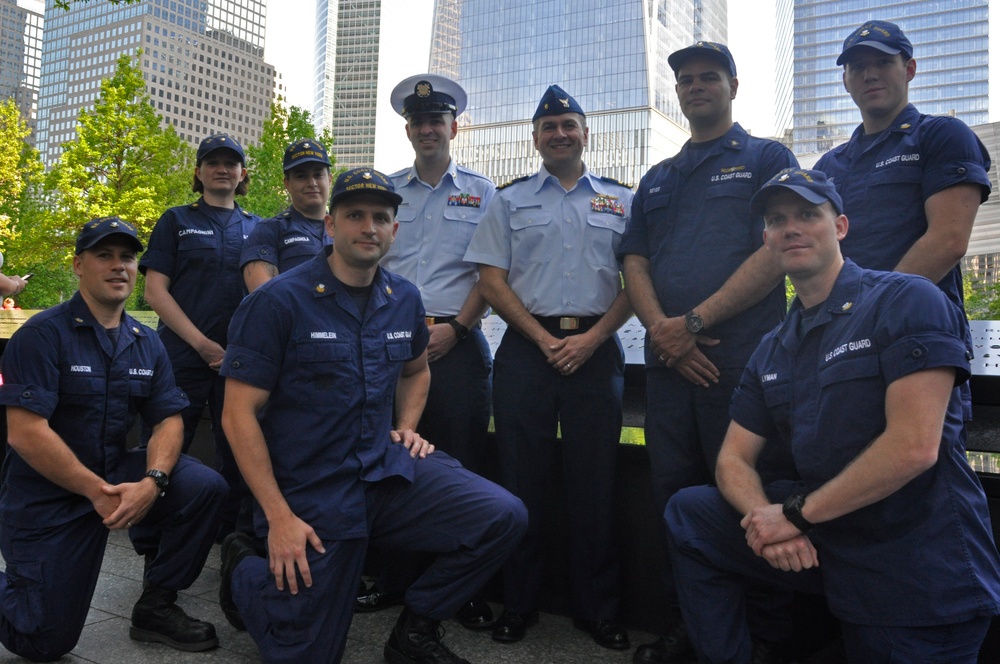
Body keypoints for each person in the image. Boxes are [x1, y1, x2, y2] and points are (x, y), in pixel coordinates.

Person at [664, 167, 1000, 663]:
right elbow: (733, 459)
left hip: (915, 567)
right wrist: (765, 519)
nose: (791, 228)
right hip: (830, 540)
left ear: (840, 226)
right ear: (767, 241)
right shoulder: (772, 348)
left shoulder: (905, 300)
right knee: (692, 514)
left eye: (807, 214)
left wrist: (795, 516)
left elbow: (914, 446)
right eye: (777, 220)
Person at [218, 167, 527, 664]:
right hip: (313, 487)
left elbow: (416, 370)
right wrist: (278, 518)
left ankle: (415, 632)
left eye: (381, 218)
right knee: (305, 653)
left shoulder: (403, 297)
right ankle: (243, 570)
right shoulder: (278, 301)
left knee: (501, 516)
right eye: (355, 215)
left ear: (394, 232)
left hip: (383, 470)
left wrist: (406, 428)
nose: (369, 227)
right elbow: (238, 416)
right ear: (331, 227)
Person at [618, 42, 799, 663]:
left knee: (749, 492)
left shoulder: (766, 157)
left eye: (708, 78)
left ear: (734, 85)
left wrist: (693, 321)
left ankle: (766, 634)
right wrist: (665, 335)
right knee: (674, 496)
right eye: (686, 81)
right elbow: (633, 260)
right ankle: (690, 629)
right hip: (670, 372)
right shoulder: (659, 177)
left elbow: (778, 246)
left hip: (742, 367)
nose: (696, 87)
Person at [0, 217, 227, 660]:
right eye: (104, 255)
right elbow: (25, 433)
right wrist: (95, 492)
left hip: (115, 476)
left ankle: (156, 605)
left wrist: (154, 481)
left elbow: (169, 419)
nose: (118, 266)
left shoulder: (146, 342)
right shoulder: (42, 335)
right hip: (48, 495)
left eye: (127, 257)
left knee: (203, 486)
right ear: (78, 265)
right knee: (43, 642)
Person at [465, 84, 633, 650]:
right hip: (525, 353)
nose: (559, 134)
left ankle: (598, 608)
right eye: (548, 127)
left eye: (569, 124)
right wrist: (540, 338)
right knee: (520, 483)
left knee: (596, 485)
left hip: (596, 350)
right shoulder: (507, 201)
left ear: (586, 133)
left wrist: (592, 339)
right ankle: (519, 603)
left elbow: (638, 282)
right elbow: (490, 280)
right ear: (534, 138)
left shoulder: (620, 200)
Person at [355, 74, 498, 627]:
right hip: (390, 343)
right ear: (408, 130)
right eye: (418, 121)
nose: (427, 128)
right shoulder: (385, 193)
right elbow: (369, 266)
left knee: (460, 460)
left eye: (436, 119)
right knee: (391, 456)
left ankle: (459, 587)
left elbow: (491, 274)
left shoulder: (484, 193)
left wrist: (457, 329)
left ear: (453, 126)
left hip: (456, 341)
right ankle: (391, 578)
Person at [814, 20, 991, 422]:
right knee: (842, 465)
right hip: (844, 349)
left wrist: (863, 319)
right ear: (845, 80)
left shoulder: (942, 135)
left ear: (909, 69)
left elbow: (948, 240)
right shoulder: (829, 165)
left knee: (928, 473)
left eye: (882, 61)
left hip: (918, 338)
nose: (869, 73)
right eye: (857, 67)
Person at [141, 134, 261, 538]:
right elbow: (154, 292)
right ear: (198, 172)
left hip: (240, 364)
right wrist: (202, 344)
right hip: (181, 358)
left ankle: (230, 540)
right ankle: (155, 540)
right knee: (164, 449)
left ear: (243, 173)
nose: (222, 169)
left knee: (239, 453)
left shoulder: (259, 229)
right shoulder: (176, 220)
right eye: (213, 162)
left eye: (231, 163)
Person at [241, 138, 334, 292]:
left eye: (318, 175)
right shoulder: (268, 231)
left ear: (329, 180)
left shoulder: (346, 230)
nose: (312, 183)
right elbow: (264, 300)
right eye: (301, 176)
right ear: (287, 183)